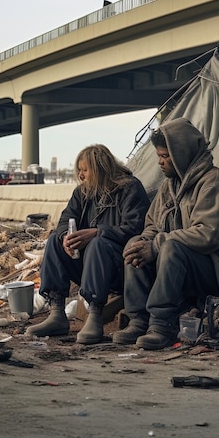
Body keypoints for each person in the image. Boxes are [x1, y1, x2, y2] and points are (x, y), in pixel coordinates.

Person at [112, 117, 219, 350]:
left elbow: (208, 235)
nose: (161, 163)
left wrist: (156, 245)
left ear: (182, 154)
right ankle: (139, 320)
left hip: (217, 270)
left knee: (170, 247)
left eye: (166, 157)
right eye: (159, 157)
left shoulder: (213, 182)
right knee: (135, 242)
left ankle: (162, 325)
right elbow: (153, 224)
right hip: (179, 264)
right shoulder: (169, 185)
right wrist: (145, 242)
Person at [26, 144, 151, 344]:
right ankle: (56, 313)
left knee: (98, 243)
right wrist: (66, 237)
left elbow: (136, 228)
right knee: (54, 241)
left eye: (85, 170)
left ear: (101, 168)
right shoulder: (81, 193)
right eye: (80, 171)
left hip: (119, 268)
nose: (81, 176)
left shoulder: (130, 188)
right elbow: (65, 220)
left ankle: (95, 315)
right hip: (88, 267)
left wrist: (98, 231)